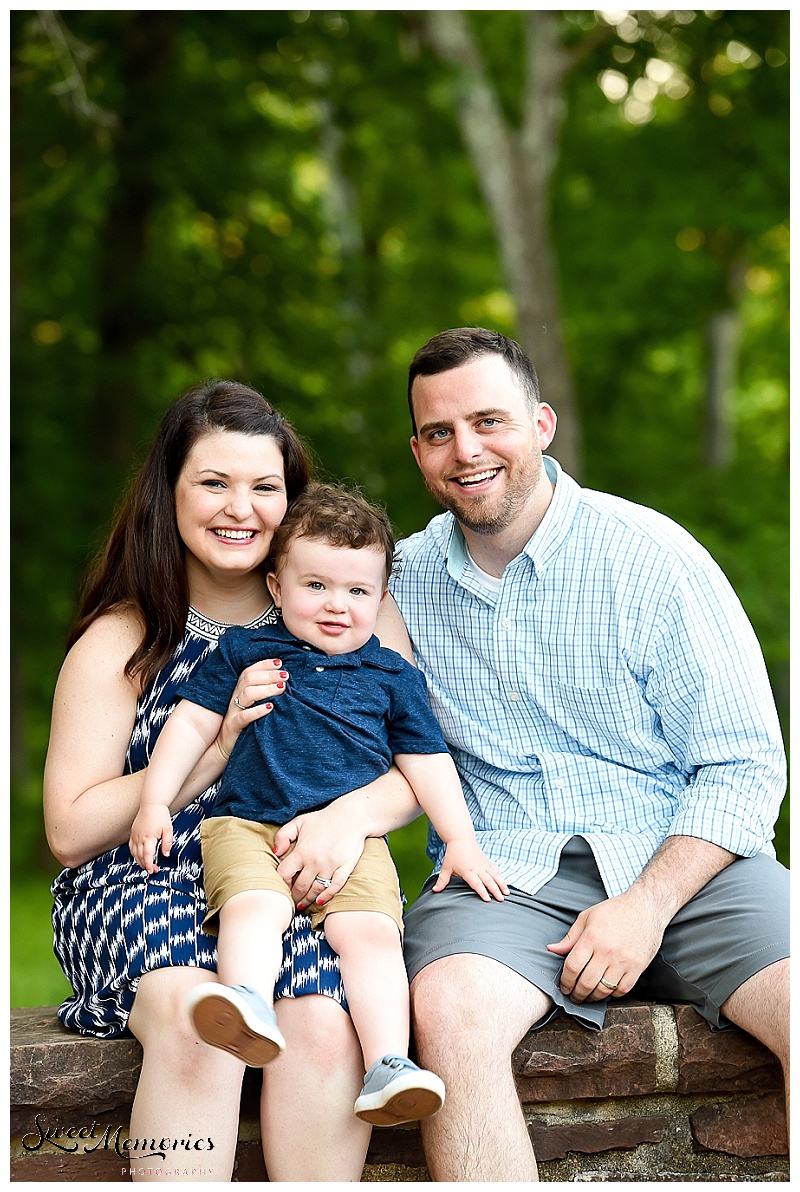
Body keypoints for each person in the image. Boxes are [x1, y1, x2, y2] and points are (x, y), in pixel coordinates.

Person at [384, 327, 789, 1182]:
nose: (466, 451)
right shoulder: (395, 584)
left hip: (688, 861)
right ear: (417, 450)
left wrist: (643, 907)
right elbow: (368, 742)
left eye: (489, 421)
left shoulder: (652, 557)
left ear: (540, 423)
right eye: (438, 432)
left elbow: (747, 763)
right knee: (449, 1012)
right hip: (506, 876)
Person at [43, 380, 424, 1183]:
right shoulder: (124, 638)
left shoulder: (342, 612)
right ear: (168, 494)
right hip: (144, 880)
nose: (239, 508)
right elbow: (70, 831)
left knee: (325, 1023)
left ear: (293, 503)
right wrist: (207, 756)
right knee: (196, 1021)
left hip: (290, 877)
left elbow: (415, 771)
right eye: (213, 483)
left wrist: (346, 819)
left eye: (264, 487)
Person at [128, 481, 506, 1126]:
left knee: (372, 936)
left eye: (358, 591)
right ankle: (245, 1000)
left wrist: (461, 840)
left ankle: (389, 1064)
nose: (337, 606)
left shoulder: (393, 675)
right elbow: (190, 723)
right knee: (258, 905)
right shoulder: (250, 650)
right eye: (316, 587)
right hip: (246, 825)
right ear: (276, 588)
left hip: (354, 844)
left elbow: (427, 762)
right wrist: (154, 802)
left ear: (381, 596)